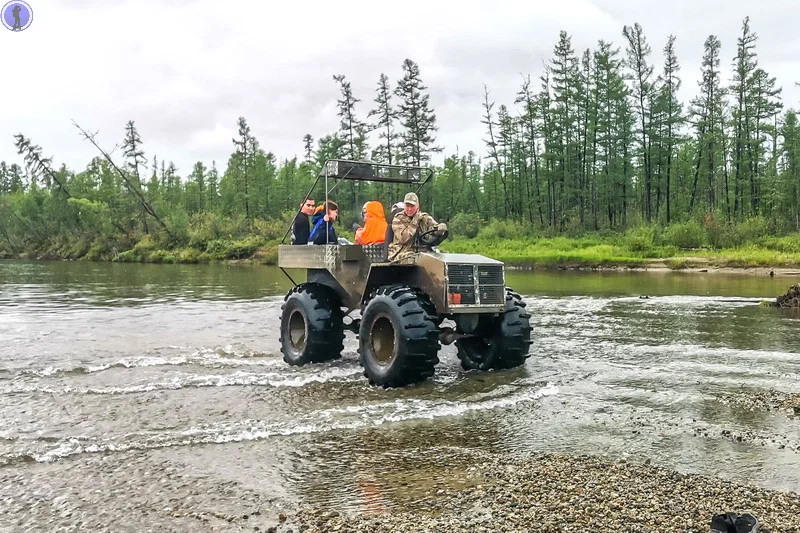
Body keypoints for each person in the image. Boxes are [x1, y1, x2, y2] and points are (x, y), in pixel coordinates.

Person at [387, 192, 447, 262]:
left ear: (417, 206)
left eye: (412, 206)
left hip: (423, 252)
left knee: (444, 257)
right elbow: (403, 239)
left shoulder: (424, 217)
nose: (409, 209)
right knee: (412, 259)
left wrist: (440, 229)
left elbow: (434, 228)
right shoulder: (398, 219)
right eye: (407, 206)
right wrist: (415, 221)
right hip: (402, 253)